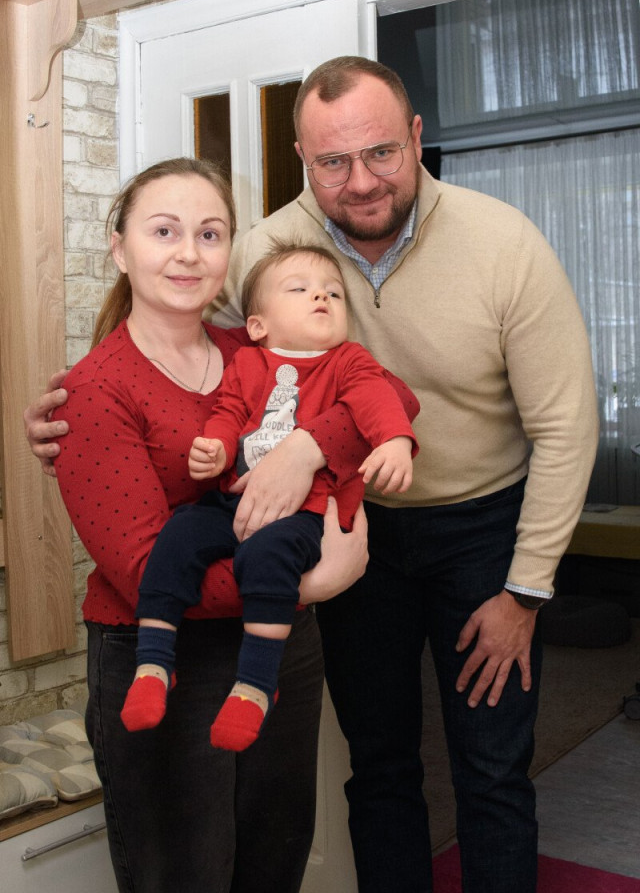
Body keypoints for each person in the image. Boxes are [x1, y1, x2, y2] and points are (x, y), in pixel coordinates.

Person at [26, 57, 599, 893]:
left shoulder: (502, 242)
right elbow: (170, 351)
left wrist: (527, 589)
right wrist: (67, 422)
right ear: (303, 160)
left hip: (478, 525)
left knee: (490, 767)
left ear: (416, 137)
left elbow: (555, 423)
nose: (359, 181)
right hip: (343, 530)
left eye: (380, 153)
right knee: (379, 763)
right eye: (333, 162)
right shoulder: (264, 251)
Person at [31, 155, 415, 893]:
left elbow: (389, 395)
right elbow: (143, 571)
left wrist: (306, 449)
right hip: (163, 653)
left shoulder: (253, 348)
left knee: (275, 863)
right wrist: (310, 583)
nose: (188, 252)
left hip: (278, 652)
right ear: (120, 248)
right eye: (164, 231)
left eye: (210, 234)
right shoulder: (96, 391)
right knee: (187, 876)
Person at [122, 241, 417, 752]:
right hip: (233, 499)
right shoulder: (247, 362)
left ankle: (255, 685)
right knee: (180, 534)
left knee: (267, 557)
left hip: (304, 511)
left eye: (333, 293)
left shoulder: (348, 361)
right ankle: (153, 663)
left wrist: (394, 440)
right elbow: (229, 411)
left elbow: (378, 400)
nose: (321, 298)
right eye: (300, 290)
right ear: (257, 325)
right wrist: (216, 448)